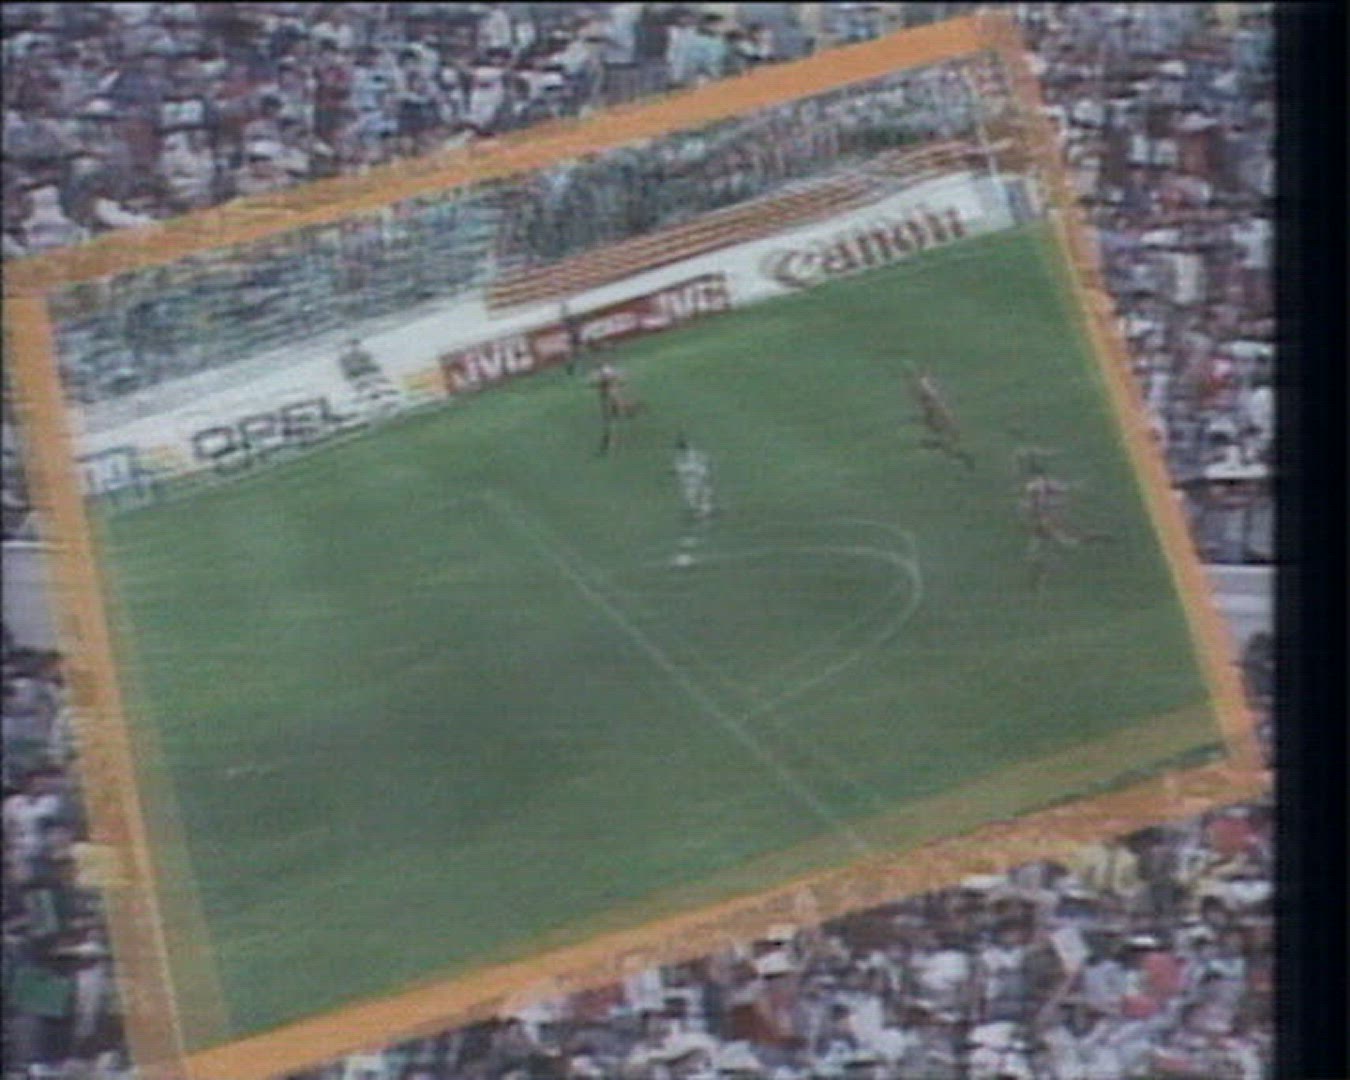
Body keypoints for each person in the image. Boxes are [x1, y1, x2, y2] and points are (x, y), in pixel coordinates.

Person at [904, 362, 974, 469]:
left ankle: (920, 378)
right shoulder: (934, 408)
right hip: (941, 425)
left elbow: (933, 415)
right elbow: (931, 416)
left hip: (941, 425)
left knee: (943, 441)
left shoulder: (934, 407)